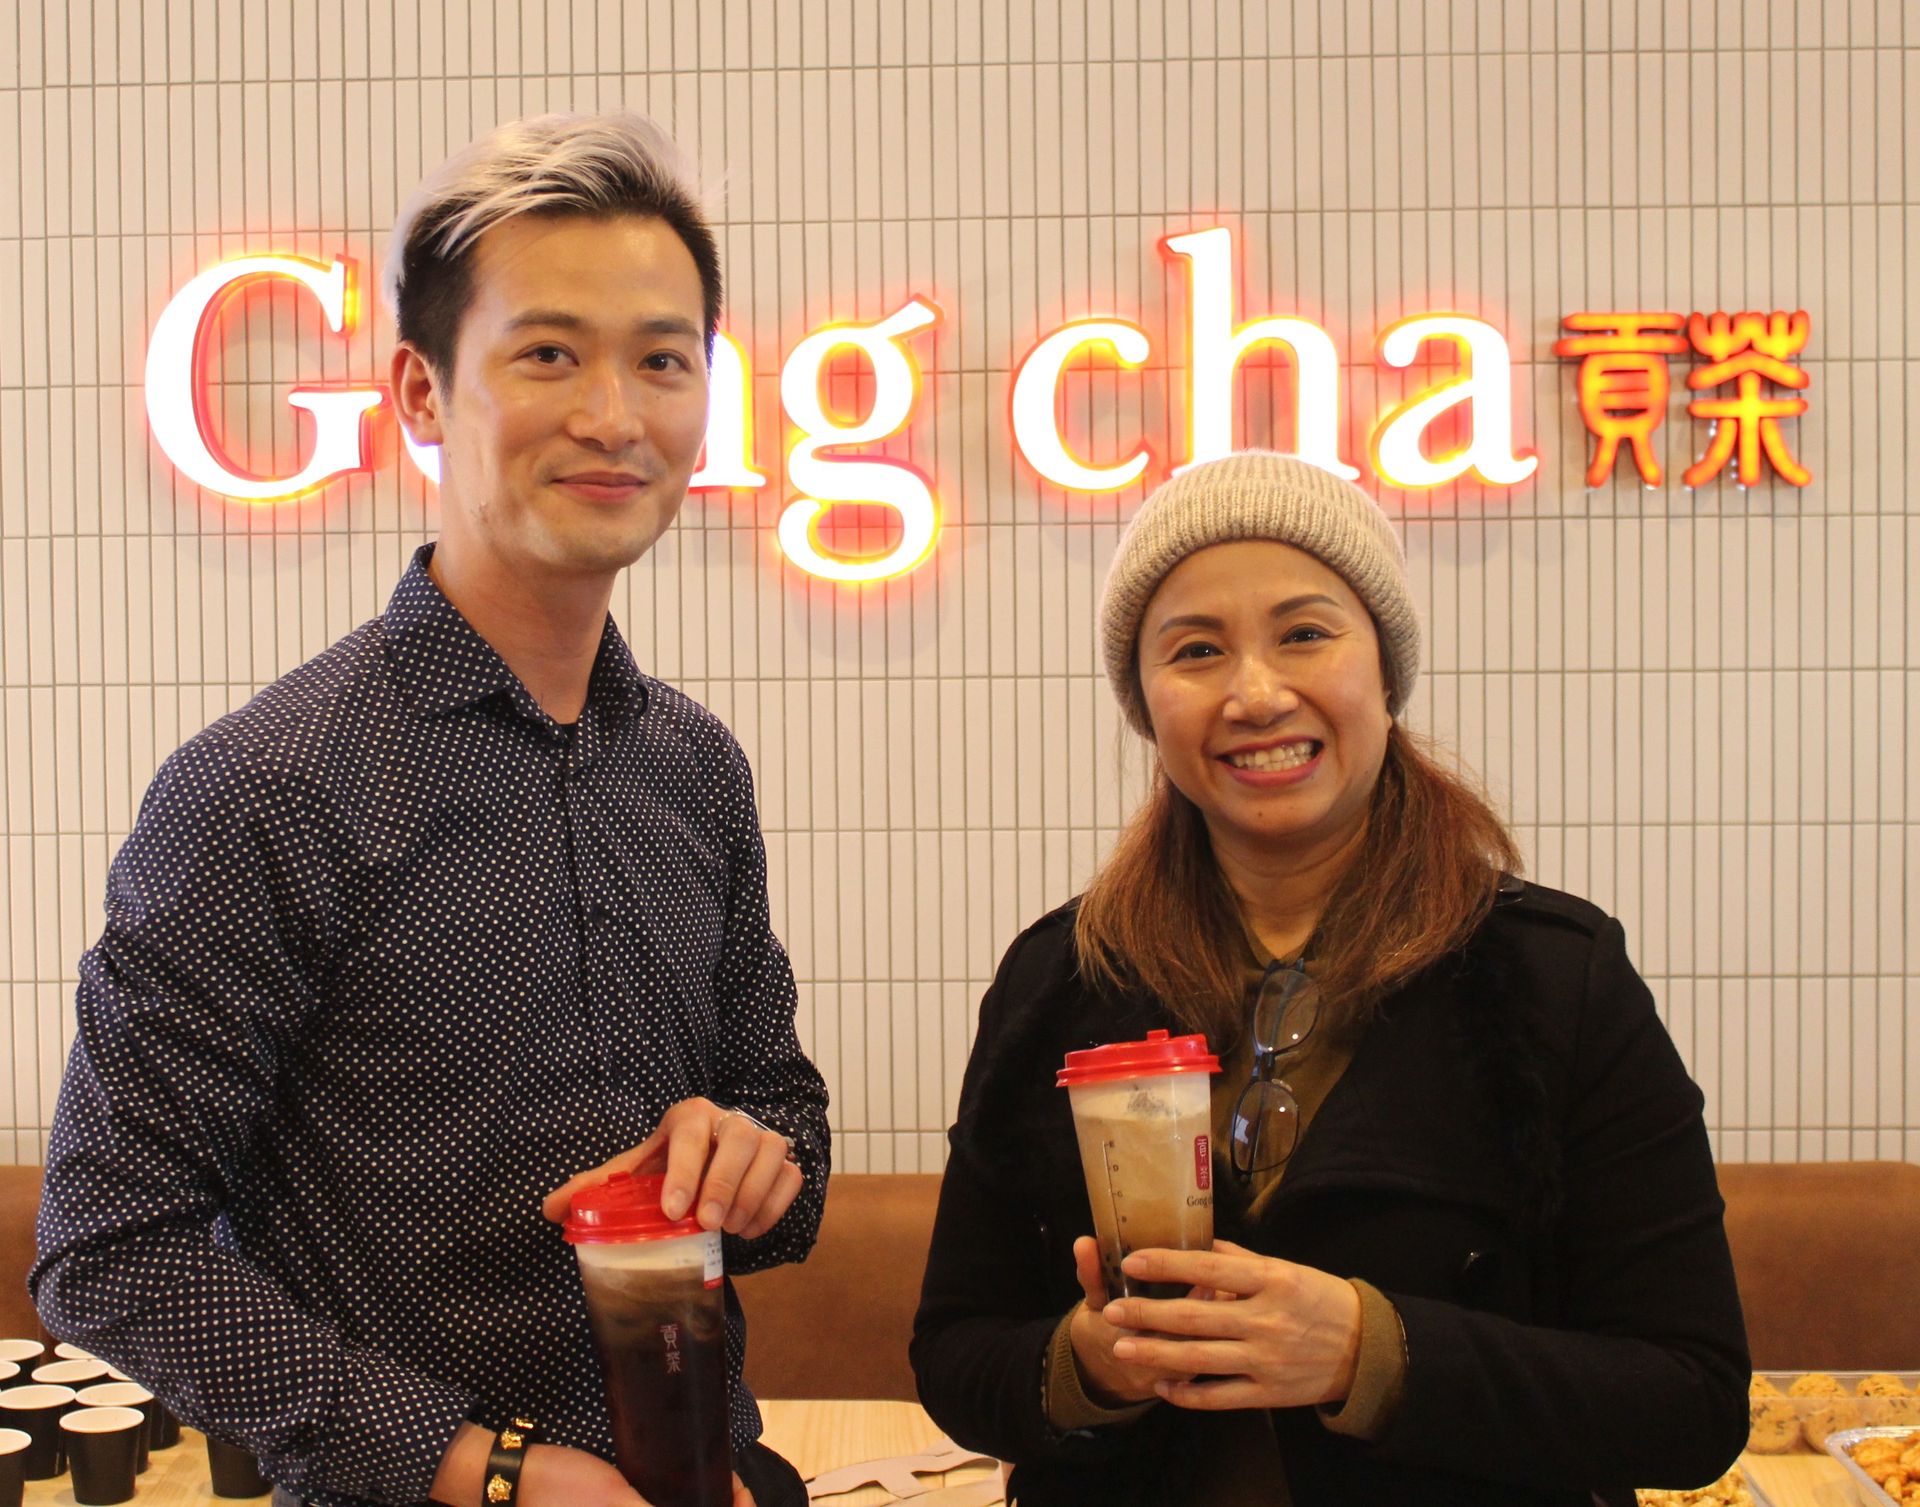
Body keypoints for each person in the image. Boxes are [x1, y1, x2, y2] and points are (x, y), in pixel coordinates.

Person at [31, 113, 828, 1507]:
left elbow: (789, 1133)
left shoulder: (697, 768)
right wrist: (499, 1469)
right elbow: (109, 1246)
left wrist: (759, 1158)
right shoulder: (267, 788)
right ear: (418, 390)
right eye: (547, 353)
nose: (613, 414)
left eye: (662, 358)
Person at [910, 451, 1750, 1505]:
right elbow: (953, 1349)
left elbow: (1693, 1400)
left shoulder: (1553, 979)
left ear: (1384, 672)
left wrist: (1370, 1350)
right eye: (1196, 649)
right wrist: (1089, 1363)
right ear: (1147, 703)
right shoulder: (1062, 978)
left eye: (1305, 632)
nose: (1256, 693)